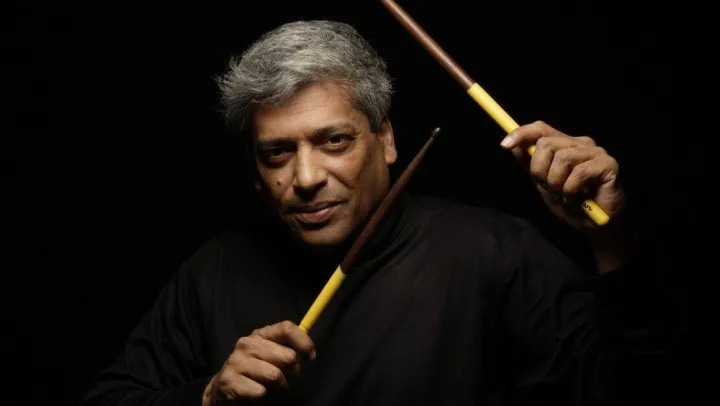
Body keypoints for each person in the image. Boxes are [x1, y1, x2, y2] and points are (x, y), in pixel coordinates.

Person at [80, 20, 675, 406]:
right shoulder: (215, 271)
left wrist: (611, 243)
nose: (305, 179)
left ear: (386, 140)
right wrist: (207, 396)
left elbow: (637, 388)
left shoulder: (494, 252)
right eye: (277, 153)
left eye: (334, 141)